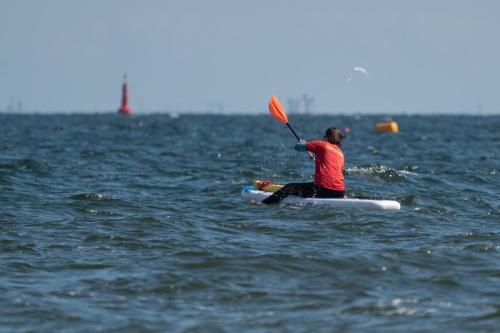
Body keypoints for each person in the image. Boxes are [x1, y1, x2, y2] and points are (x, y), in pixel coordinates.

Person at [262, 126, 348, 204]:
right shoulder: (341, 154)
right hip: (340, 192)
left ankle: (264, 203)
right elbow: (334, 170)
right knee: (310, 186)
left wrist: (303, 143)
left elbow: (298, 147)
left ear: (328, 137)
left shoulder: (322, 144)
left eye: (324, 137)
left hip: (324, 190)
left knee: (289, 187)